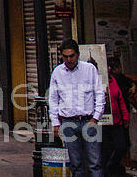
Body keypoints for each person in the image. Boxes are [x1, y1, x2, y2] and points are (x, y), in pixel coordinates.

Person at [47, 39, 105, 177]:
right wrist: (55, 122)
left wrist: (95, 118)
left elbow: (99, 94)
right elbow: (53, 99)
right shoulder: (57, 72)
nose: (69, 59)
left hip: (88, 120)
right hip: (68, 123)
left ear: (78, 55)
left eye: (71, 56)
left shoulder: (89, 69)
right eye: (65, 56)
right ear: (61, 56)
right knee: (75, 164)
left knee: (94, 162)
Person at [105, 57, 130, 176]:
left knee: (121, 146)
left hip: (117, 122)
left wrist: (125, 117)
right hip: (103, 124)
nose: (109, 68)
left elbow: (121, 100)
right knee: (106, 149)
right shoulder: (98, 81)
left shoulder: (114, 80)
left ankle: (113, 165)